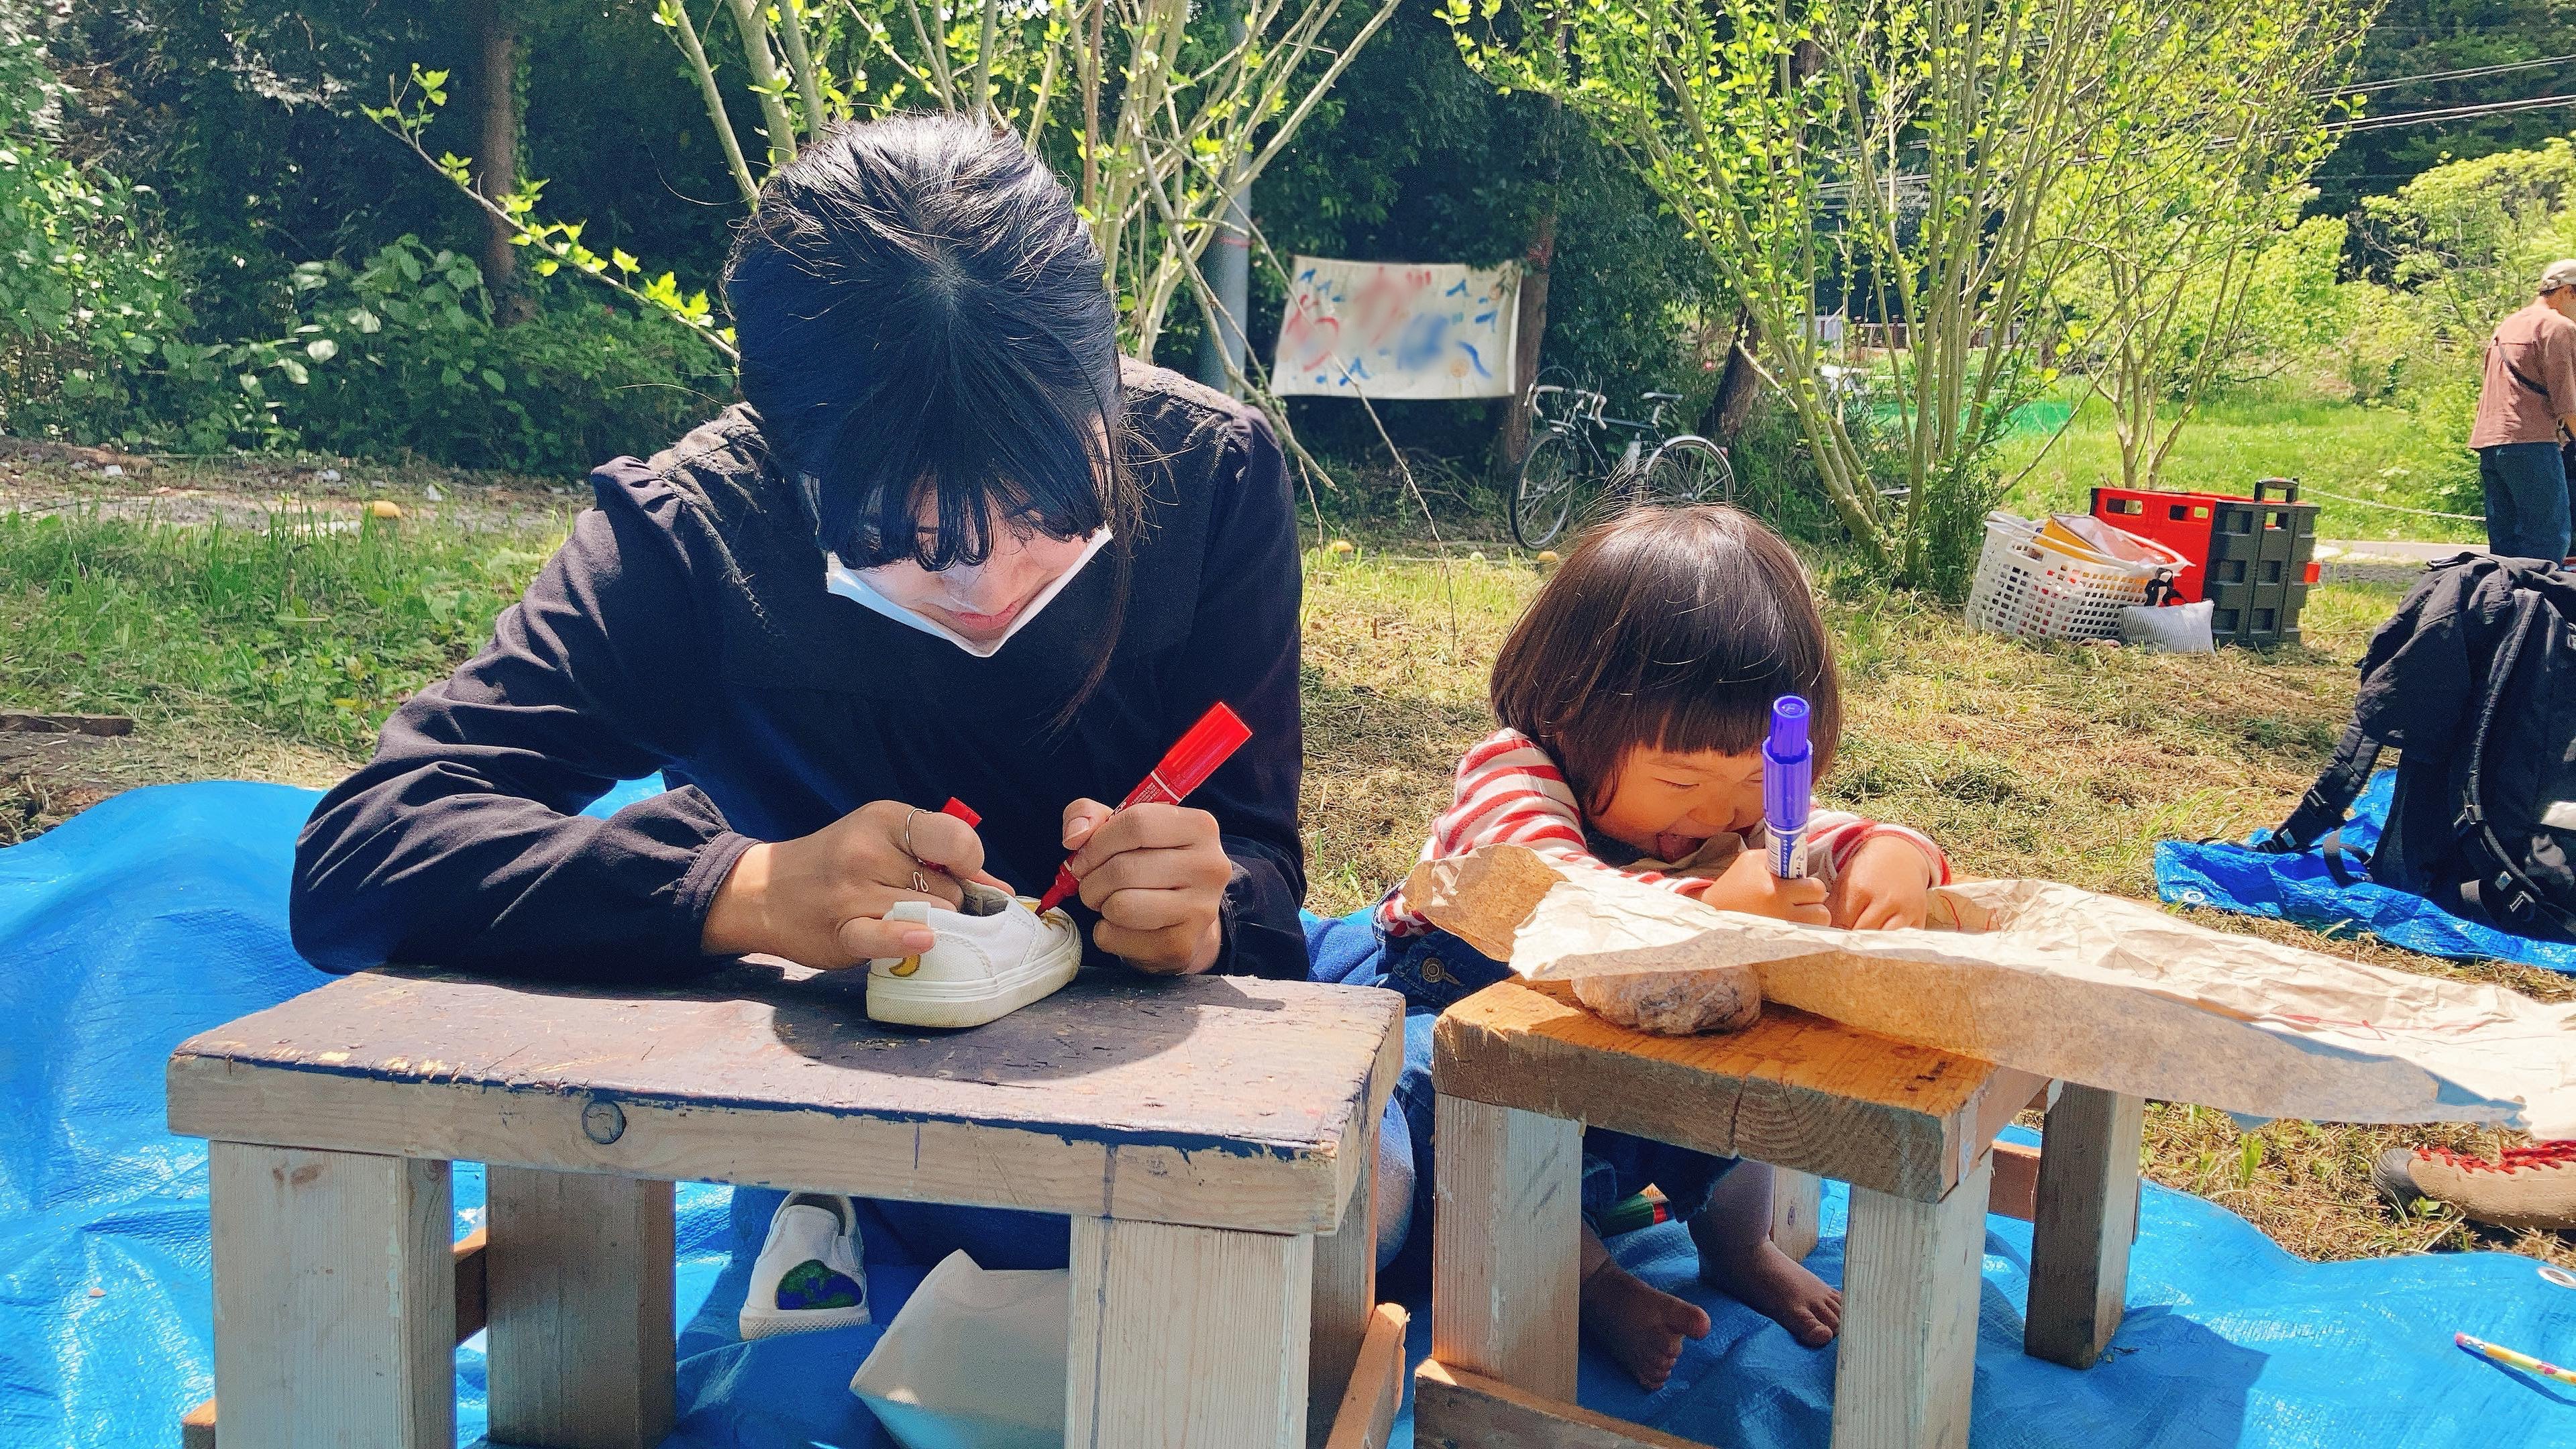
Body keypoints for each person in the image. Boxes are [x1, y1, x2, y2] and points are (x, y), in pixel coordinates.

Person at [289, 115, 1316, 1279]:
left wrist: (1212, 912)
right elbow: (362, 854)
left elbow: (1260, 853)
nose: (991, 586)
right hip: (848, 1135)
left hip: (1160, 1110)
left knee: (1363, 1195)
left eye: (1048, 514)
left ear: (1105, 408)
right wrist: (743, 888)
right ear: (793, 465)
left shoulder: (1210, 477)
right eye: (914, 541)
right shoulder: (693, 541)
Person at [1356, 504, 1949, 1391]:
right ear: (1571, 717)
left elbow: (1826, 835)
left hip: (1628, 1080)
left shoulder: (1729, 813)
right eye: (1681, 782)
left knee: (1761, 1048)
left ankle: (1738, 1246)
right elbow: (1554, 896)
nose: (1717, 815)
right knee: (1445, 1110)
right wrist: (1711, 906)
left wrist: (1891, 858)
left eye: (1754, 784)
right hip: (1466, 1033)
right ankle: (1593, 1282)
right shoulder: (1512, 773)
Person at [2471, 258, 2576, 563]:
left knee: (2507, 548)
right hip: (2532, 442)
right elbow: (2567, 403)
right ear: (2567, 292)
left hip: (2491, 442)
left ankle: (2505, 596)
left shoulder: (2508, 324)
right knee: (2550, 541)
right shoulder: (2559, 327)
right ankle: (2537, 596)